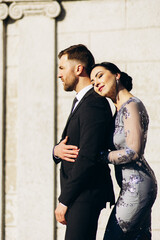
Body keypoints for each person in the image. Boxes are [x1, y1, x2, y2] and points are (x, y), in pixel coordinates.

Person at [52, 45, 115, 240]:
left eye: (62, 68)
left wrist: (64, 200)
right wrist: (55, 151)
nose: (59, 75)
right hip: (79, 195)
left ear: (78, 69)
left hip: (85, 193)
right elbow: (71, 143)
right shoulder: (82, 101)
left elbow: (88, 155)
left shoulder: (94, 102)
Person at [90, 62, 157, 240]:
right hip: (129, 185)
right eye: (92, 82)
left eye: (100, 76)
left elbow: (134, 151)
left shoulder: (131, 105)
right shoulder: (119, 108)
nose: (96, 83)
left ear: (117, 75)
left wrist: (100, 156)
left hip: (137, 185)